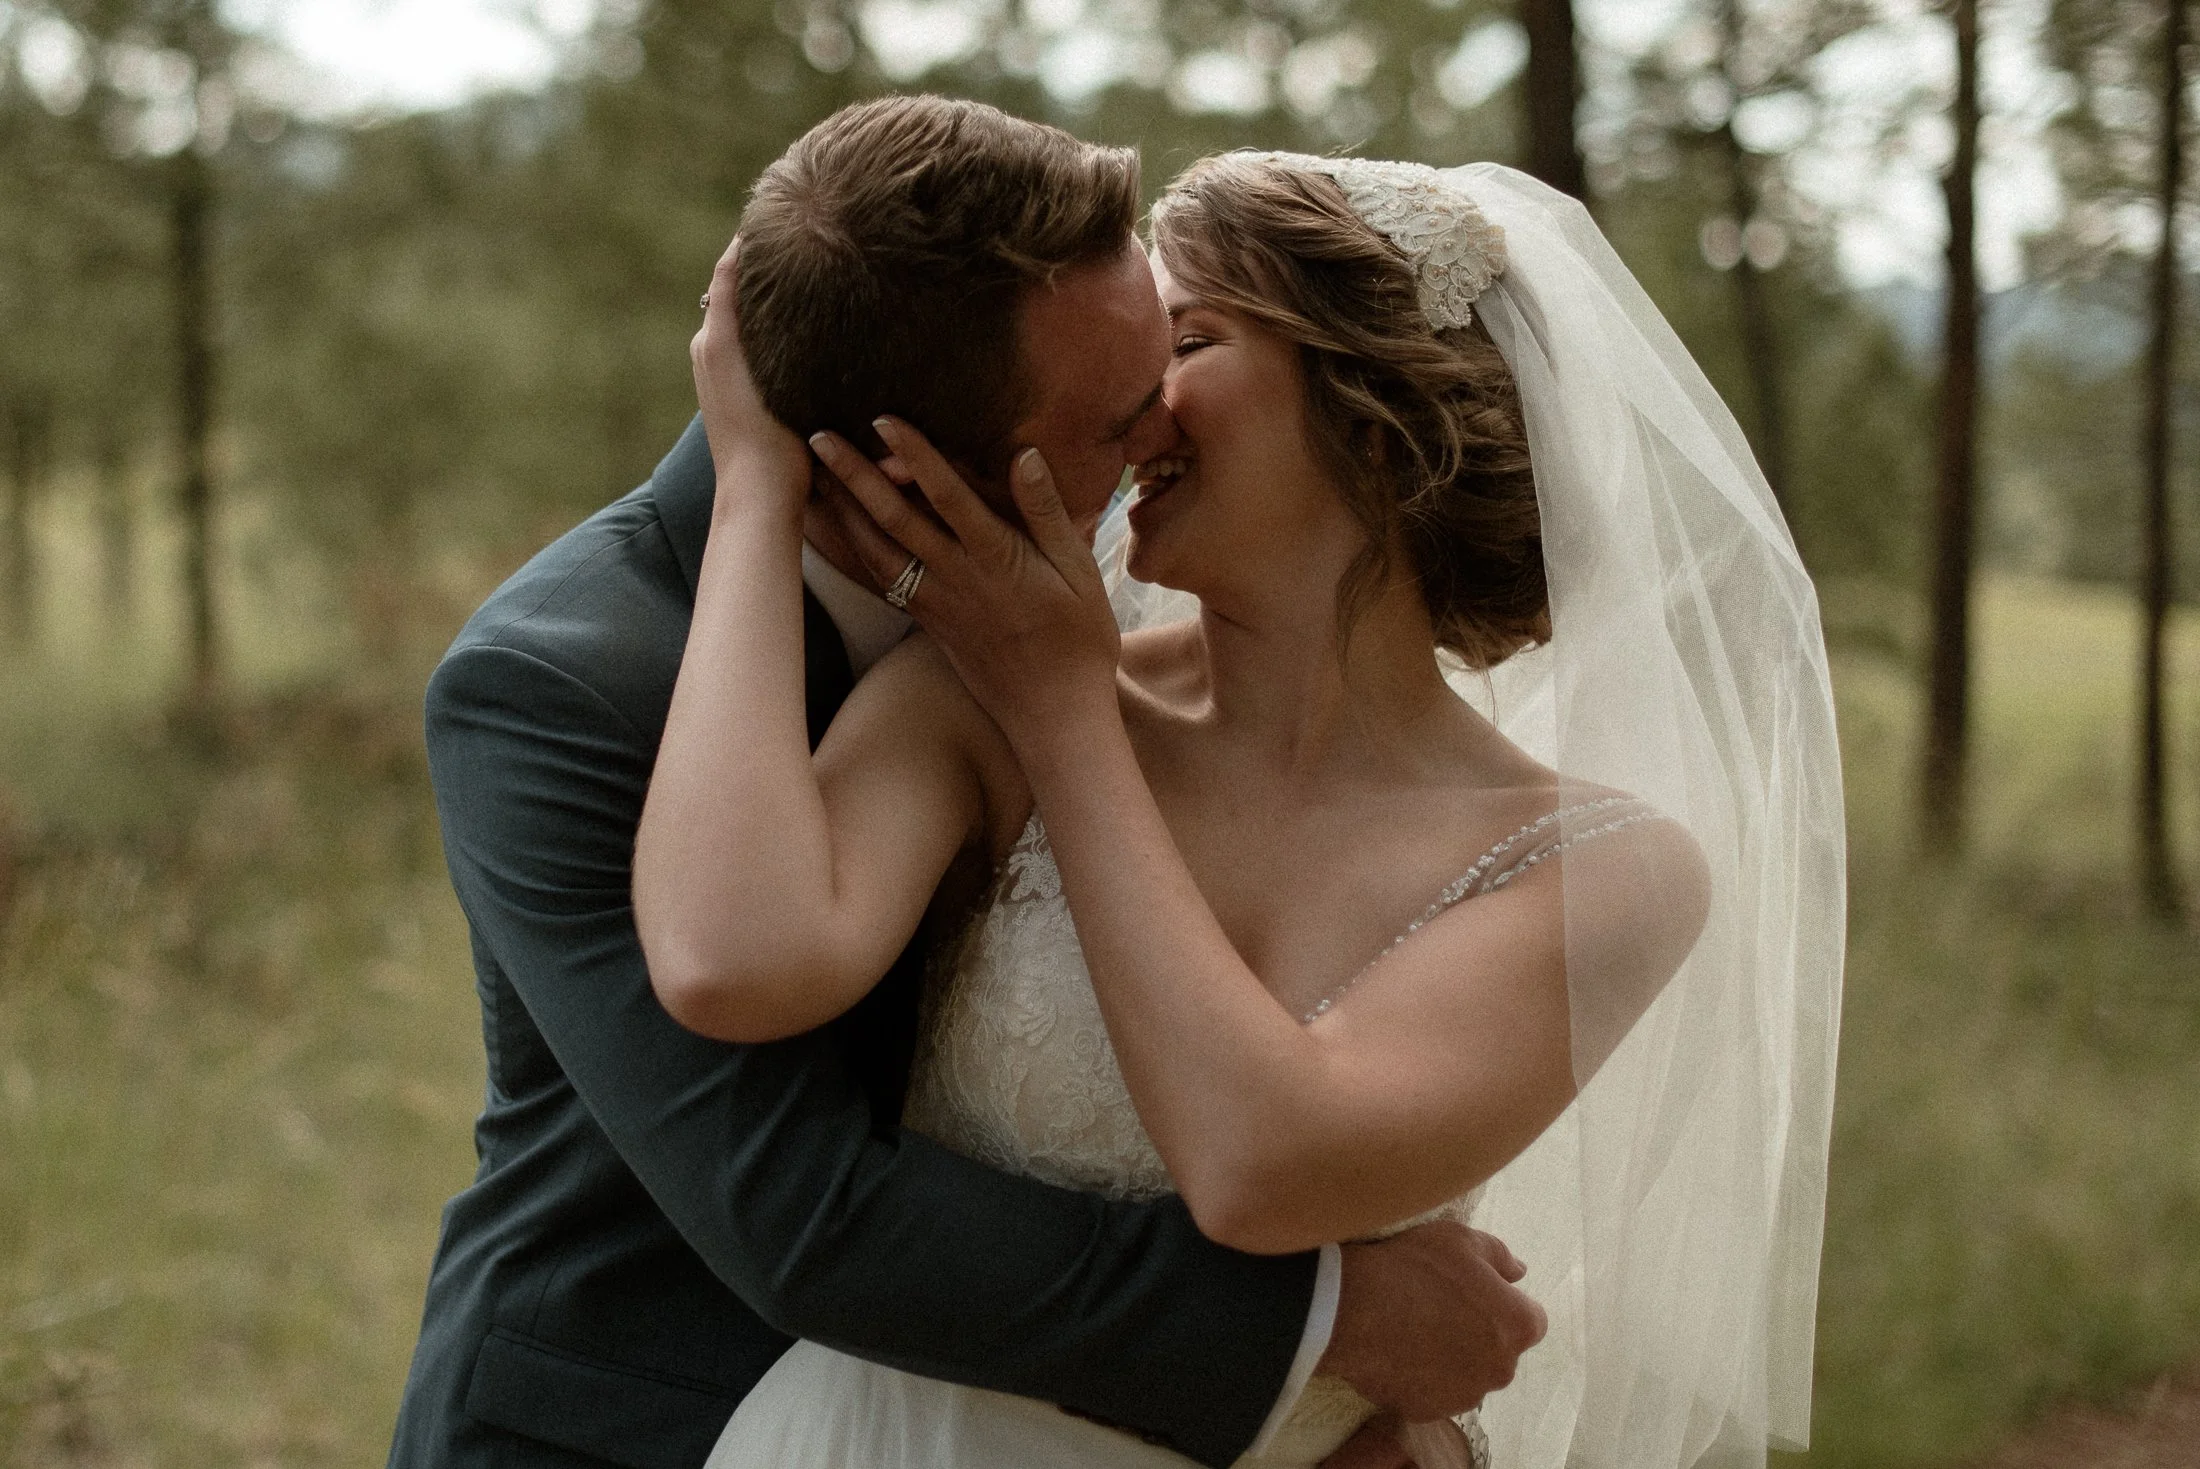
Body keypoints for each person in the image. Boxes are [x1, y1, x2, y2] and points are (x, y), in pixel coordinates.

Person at [643, 147, 1845, 1469]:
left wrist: (1067, 715)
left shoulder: (1604, 872)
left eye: (1191, 340)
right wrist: (753, 489)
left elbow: (1260, 1164)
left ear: (1373, 414)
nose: (1129, 405)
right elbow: (734, 960)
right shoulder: (972, 693)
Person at [390, 99, 1546, 1469]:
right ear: (909, 458)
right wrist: (1315, 1336)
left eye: (1176, 349)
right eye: (1124, 409)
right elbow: (799, 1210)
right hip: (633, 1425)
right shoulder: (557, 684)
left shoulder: (1079, 620)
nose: (1163, 425)